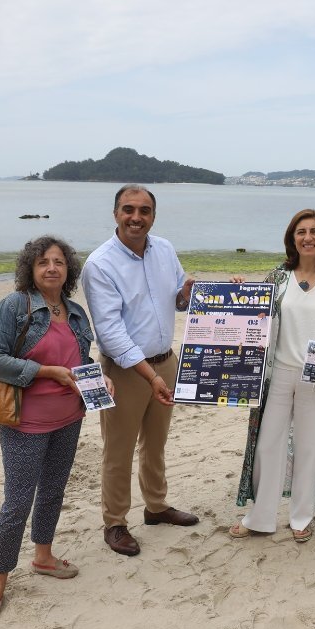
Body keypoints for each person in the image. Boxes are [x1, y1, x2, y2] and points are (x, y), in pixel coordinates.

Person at [0, 235, 112, 623]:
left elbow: (79, 359)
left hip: (69, 418)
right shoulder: (16, 307)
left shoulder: (74, 311)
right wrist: (45, 372)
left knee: (53, 491)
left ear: (68, 270)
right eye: (43, 263)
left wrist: (98, 378)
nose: (51, 268)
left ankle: (43, 556)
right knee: (17, 504)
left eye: (58, 262)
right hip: (26, 422)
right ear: (30, 270)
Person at [230, 209, 315, 542]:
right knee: (267, 446)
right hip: (279, 374)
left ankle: (301, 517)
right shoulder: (278, 277)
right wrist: (238, 293)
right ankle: (259, 516)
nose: (308, 237)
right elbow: (253, 316)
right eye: (301, 231)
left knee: (309, 446)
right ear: (292, 238)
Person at [81, 184, 198, 557]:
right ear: (115, 213)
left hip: (167, 360)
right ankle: (115, 522)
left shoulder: (164, 249)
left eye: (144, 211)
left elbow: (178, 301)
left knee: (156, 443)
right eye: (128, 209)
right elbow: (110, 334)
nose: (137, 217)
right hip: (125, 372)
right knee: (118, 450)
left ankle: (156, 506)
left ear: (153, 215)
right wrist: (151, 375)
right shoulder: (99, 264)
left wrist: (188, 294)